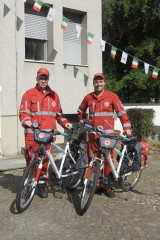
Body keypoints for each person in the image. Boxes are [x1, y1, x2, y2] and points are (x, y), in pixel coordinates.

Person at [19, 68, 72, 198]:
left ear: (48, 79)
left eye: (45, 78)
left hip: (48, 135)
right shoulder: (28, 94)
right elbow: (23, 112)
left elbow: (59, 115)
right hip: (33, 134)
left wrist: (66, 123)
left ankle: (42, 184)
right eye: (41, 78)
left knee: (45, 160)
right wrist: (28, 122)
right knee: (31, 159)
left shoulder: (54, 95)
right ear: (37, 79)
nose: (43, 80)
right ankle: (29, 186)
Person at [77, 73, 131, 197]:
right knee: (95, 159)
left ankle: (107, 186)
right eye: (96, 82)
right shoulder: (88, 98)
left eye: (101, 81)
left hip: (108, 136)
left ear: (104, 83)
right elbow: (80, 111)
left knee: (107, 160)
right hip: (93, 136)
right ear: (93, 83)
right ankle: (97, 184)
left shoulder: (112, 96)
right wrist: (84, 123)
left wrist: (127, 128)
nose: (99, 84)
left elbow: (122, 113)